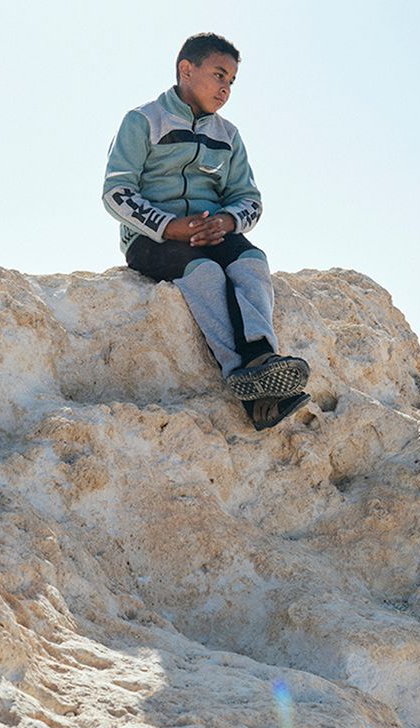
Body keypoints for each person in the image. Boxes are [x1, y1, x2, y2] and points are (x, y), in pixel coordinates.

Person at [102, 32, 311, 431]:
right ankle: (243, 374)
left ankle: (263, 362)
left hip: (214, 233)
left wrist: (227, 221)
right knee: (206, 273)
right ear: (186, 69)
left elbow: (249, 198)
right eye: (219, 75)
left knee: (251, 260)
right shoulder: (143, 120)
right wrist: (169, 227)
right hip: (152, 240)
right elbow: (116, 192)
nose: (225, 88)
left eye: (231, 81)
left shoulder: (229, 136)